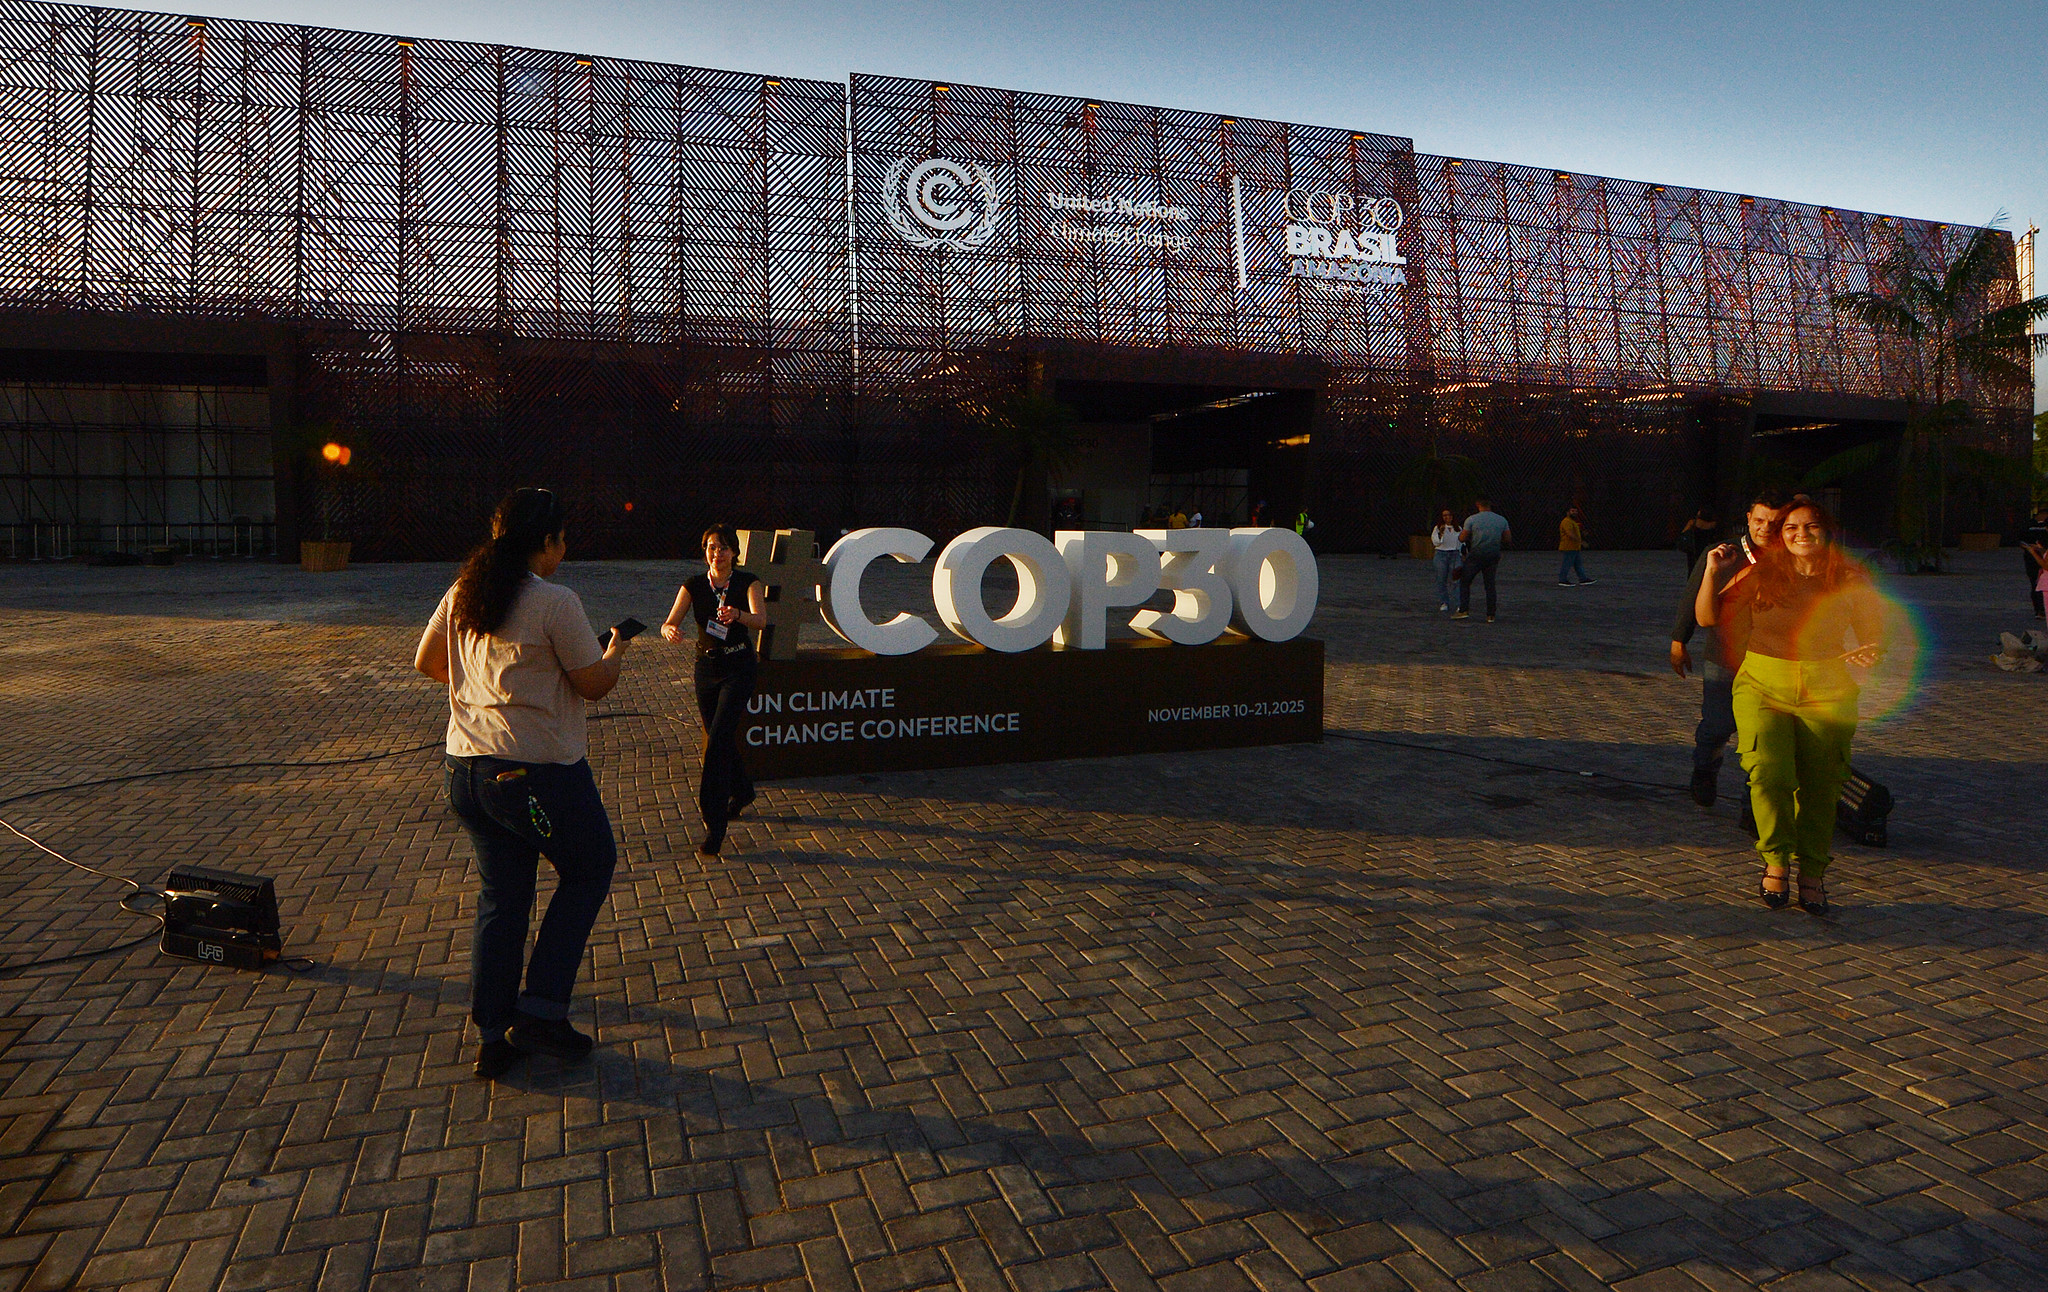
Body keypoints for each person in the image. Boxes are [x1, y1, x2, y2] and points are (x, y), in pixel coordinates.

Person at [413, 487, 631, 1079]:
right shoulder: (554, 601)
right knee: (588, 868)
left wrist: (486, 695)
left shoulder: (465, 590)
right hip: (534, 778)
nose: (565, 549)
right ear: (547, 543)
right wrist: (614, 651)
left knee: (502, 897)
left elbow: (428, 662)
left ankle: (492, 1033)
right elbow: (592, 684)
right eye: (562, 539)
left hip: (468, 772)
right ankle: (541, 1012)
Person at [1697, 499, 1882, 915]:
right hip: (1763, 685)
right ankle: (1776, 860)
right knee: (1768, 773)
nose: (1801, 534)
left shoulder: (1850, 578)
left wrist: (1872, 652)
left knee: (1822, 785)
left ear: (1827, 531)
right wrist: (1711, 573)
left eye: (1811, 526)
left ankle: (1813, 872)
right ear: (1780, 536)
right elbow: (1709, 617)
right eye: (1791, 528)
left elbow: (1873, 635)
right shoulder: (1762, 573)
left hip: (1827, 689)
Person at [1671, 491, 1784, 807]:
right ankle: (1704, 769)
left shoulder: (1788, 557)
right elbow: (1692, 600)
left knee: (1764, 735)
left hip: (1771, 661)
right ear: (1748, 518)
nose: (1764, 529)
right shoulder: (1724, 553)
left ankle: (1755, 803)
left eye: (1773, 523)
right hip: (1725, 657)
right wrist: (1679, 642)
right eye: (1759, 520)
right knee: (1718, 725)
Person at [662, 524, 768, 861]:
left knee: (718, 741)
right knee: (716, 734)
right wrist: (670, 630)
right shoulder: (694, 585)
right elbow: (670, 621)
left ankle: (714, 822)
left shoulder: (747, 582)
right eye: (710, 547)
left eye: (723, 548)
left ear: (734, 552)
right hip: (706, 669)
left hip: (738, 667)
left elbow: (761, 620)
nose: (716, 553)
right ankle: (744, 790)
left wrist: (738, 614)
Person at [1453, 498, 1510, 622]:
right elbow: (1507, 538)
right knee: (1490, 585)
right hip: (1493, 555)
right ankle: (1491, 615)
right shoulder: (1501, 520)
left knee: (1465, 581)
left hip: (1477, 554)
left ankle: (1464, 610)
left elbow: (1462, 538)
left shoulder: (1472, 519)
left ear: (1478, 504)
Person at [1430, 508, 1462, 611]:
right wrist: (1441, 533)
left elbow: (1461, 542)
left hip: (1455, 554)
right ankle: (1444, 602)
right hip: (1441, 554)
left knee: (1456, 580)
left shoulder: (1458, 528)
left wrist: (1462, 553)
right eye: (1445, 515)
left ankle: (1458, 603)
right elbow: (1436, 542)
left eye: (1449, 515)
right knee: (1441, 579)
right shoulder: (1438, 528)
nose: (1447, 517)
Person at [1557, 507, 1595, 585]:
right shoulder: (1567, 522)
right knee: (1567, 564)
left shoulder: (1572, 522)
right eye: (1572, 511)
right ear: (1567, 512)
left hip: (1574, 547)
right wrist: (1581, 542)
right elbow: (1570, 534)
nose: (1575, 512)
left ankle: (1583, 579)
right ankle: (1562, 580)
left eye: (1576, 511)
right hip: (1569, 547)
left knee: (1578, 564)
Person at [2024, 505, 2048, 621]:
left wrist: (2035, 551)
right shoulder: (2029, 524)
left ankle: (2041, 610)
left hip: (2039, 558)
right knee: (2035, 584)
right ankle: (2039, 610)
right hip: (2032, 560)